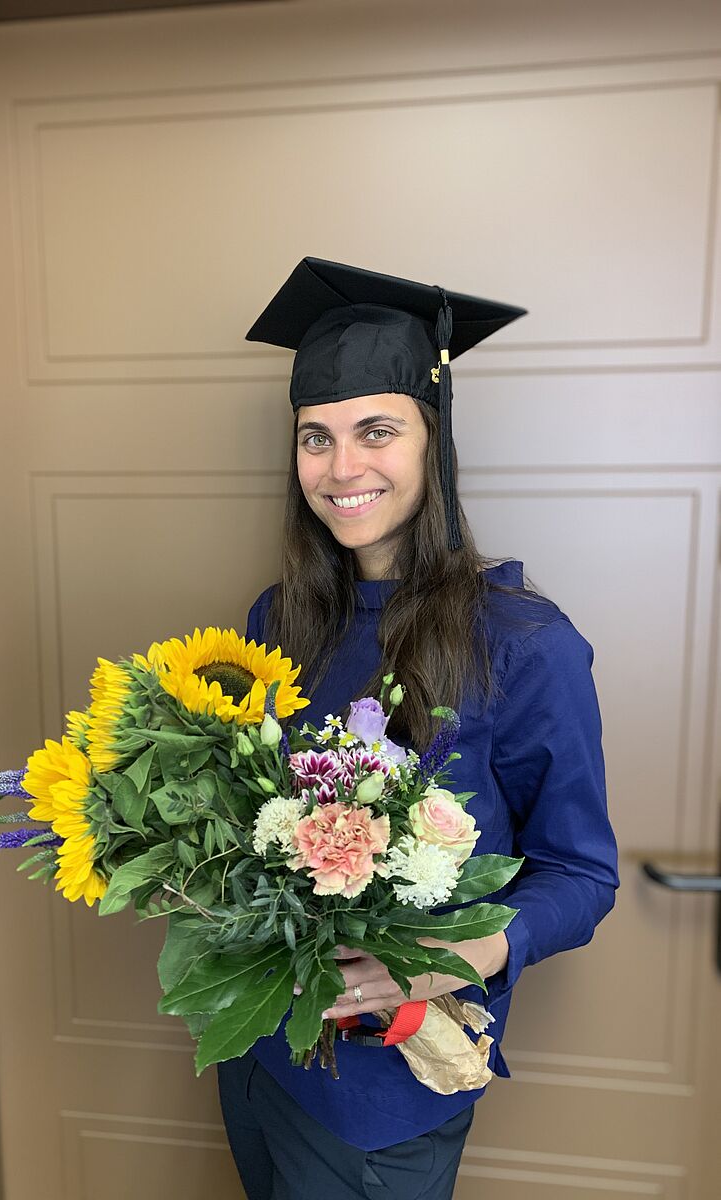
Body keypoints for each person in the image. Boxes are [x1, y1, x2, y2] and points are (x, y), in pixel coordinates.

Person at [216, 258, 619, 1200]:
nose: (341, 466)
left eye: (376, 431)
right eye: (316, 438)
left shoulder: (523, 645)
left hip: (383, 1092)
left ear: (432, 442)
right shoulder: (278, 620)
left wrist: (459, 954)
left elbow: (582, 875)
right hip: (258, 1050)